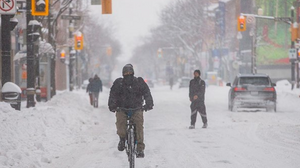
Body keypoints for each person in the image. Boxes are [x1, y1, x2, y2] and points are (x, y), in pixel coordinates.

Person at [108, 64, 154, 158]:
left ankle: (140, 149)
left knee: (139, 125)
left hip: (136, 108)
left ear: (133, 73)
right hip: (122, 108)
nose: (128, 74)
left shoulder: (139, 82)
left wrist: (148, 104)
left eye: (130, 72)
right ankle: (122, 139)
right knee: (120, 122)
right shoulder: (118, 83)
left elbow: (147, 93)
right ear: (123, 74)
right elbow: (113, 95)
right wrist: (112, 106)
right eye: (126, 73)